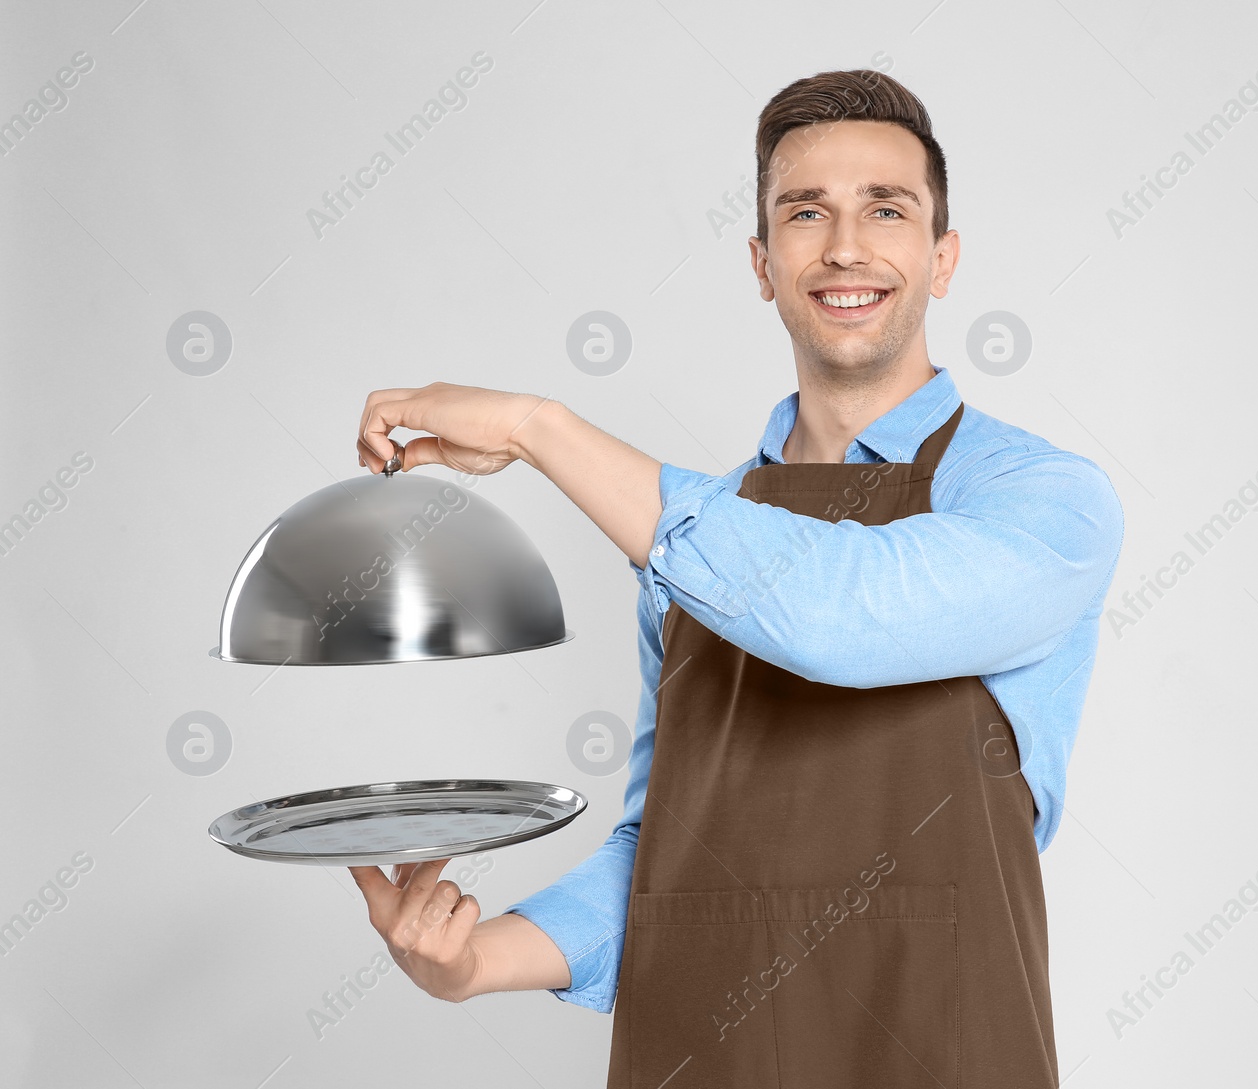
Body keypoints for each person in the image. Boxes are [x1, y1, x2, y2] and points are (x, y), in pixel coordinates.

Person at [347, 68, 1123, 1086]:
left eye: (885, 210)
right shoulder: (690, 538)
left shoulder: (1043, 501)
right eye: (806, 213)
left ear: (943, 257)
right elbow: (663, 848)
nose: (845, 246)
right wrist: (470, 959)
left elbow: (842, 614)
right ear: (762, 263)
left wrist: (542, 430)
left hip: (942, 1050)